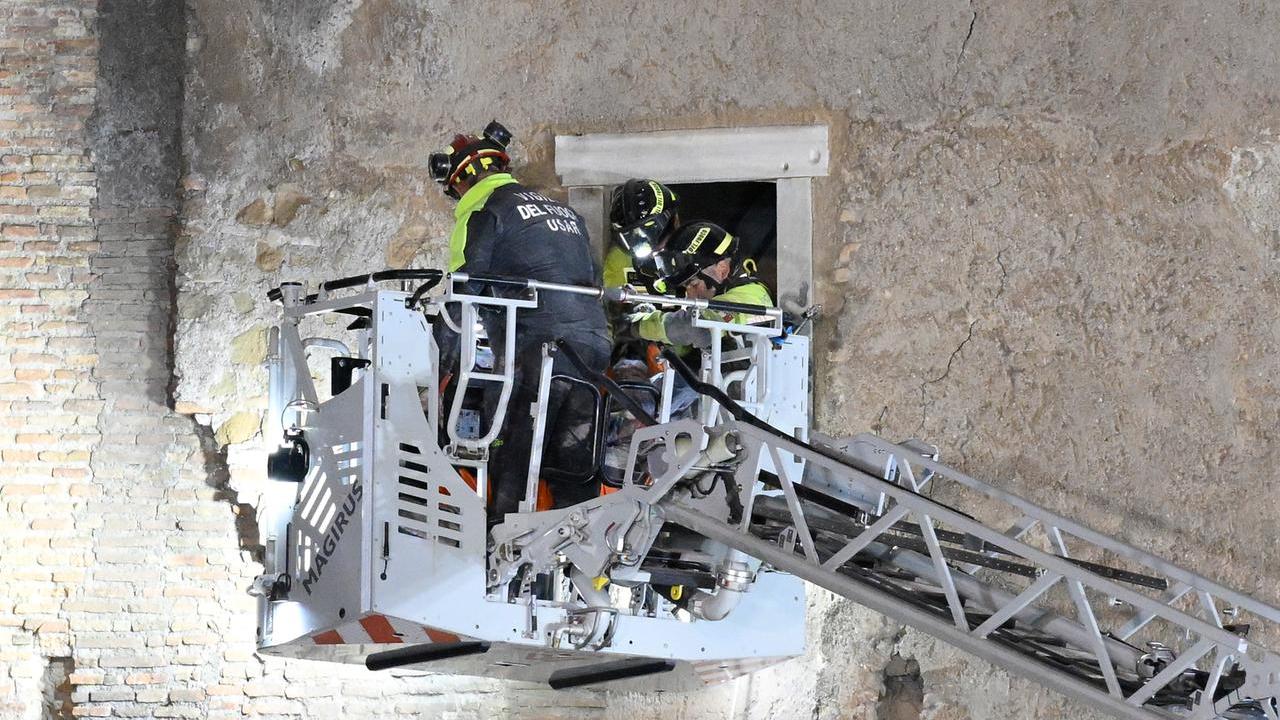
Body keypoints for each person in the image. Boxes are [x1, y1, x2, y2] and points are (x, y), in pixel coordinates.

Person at [429, 121, 611, 517]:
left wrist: (438, 364)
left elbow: (464, 290)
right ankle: (576, 547)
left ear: (457, 182)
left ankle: (497, 537)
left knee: (512, 449)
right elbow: (594, 280)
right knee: (573, 464)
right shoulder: (565, 213)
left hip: (536, 352)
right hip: (593, 349)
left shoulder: (482, 211)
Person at [627, 221, 772, 348]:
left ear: (722, 270)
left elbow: (696, 328)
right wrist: (648, 314)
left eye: (694, 284)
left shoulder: (751, 296)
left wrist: (636, 325)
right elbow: (684, 347)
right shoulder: (731, 295)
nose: (689, 297)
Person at [603, 179, 681, 291]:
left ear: (674, 221)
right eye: (633, 237)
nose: (646, 244)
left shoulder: (699, 252)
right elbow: (613, 302)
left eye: (652, 231)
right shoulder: (621, 260)